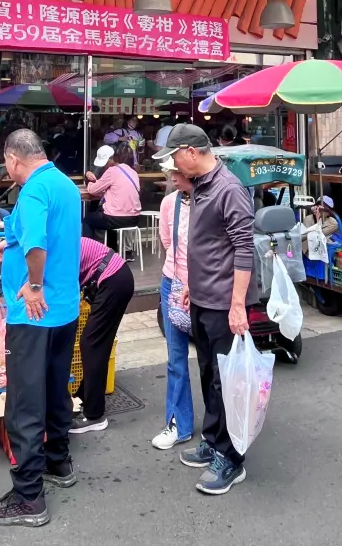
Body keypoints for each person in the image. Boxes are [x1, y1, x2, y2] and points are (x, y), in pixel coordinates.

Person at [0, 130, 81, 528]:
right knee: (57, 389)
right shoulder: (64, 184)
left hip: (34, 312)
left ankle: (28, 496)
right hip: (64, 308)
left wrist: (35, 284)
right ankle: (59, 462)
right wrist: (11, 244)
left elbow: (39, 241)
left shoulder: (35, 189)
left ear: (12, 159)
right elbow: (44, 237)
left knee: (24, 402)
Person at [153, 124, 255, 496]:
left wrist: (238, 304)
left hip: (224, 303)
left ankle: (231, 457)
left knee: (225, 380)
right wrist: (193, 285)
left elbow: (244, 249)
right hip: (202, 298)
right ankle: (214, 440)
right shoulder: (200, 188)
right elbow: (207, 247)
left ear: (192, 152)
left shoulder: (228, 189)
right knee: (209, 372)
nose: (173, 166)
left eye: (174, 156)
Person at [71, 237, 134, 434]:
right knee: (96, 343)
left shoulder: (60, 247)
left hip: (114, 280)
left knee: (92, 343)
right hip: (114, 277)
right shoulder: (61, 239)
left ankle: (94, 415)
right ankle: (83, 397)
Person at [152, 162, 194, 451]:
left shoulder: (211, 201)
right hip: (173, 282)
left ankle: (223, 428)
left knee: (212, 362)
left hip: (206, 289)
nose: (172, 179)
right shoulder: (169, 203)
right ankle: (179, 422)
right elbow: (168, 243)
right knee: (175, 357)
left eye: (177, 173)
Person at [82, 142, 141, 242]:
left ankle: (89, 252)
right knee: (109, 214)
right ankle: (113, 252)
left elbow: (92, 190)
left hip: (116, 218)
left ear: (111, 159)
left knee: (88, 220)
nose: (104, 166)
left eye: (105, 163)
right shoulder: (132, 171)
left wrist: (89, 180)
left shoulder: (112, 171)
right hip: (134, 218)